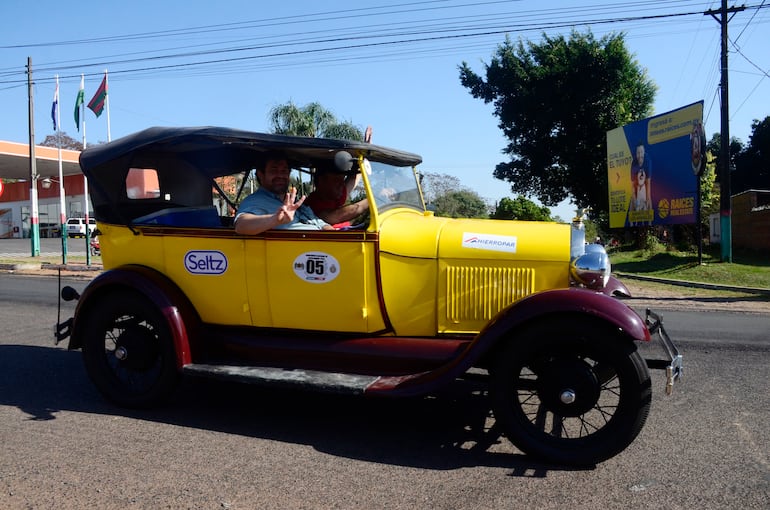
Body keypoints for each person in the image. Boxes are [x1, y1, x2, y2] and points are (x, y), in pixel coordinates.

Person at [234, 153, 333, 235]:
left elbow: (321, 224)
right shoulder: (255, 200)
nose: (280, 175)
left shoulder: (295, 202)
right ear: (261, 174)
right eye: (274, 170)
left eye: (284, 171)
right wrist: (275, 219)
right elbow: (241, 225)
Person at [304, 159, 369, 229]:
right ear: (321, 180)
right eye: (337, 180)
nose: (342, 184)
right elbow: (337, 215)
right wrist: (372, 201)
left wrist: (360, 164)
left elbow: (353, 179)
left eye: (343, 179)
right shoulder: (312, 205)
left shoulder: (335, 196)